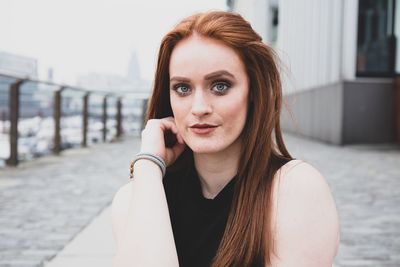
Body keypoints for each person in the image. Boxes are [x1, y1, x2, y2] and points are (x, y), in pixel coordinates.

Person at [111, 11, 340, 267]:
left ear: (254, 91)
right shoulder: (136, 197)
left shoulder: (295, 189)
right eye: (183, 88)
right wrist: (148, 165)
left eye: (220, 85)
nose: (199, 108)